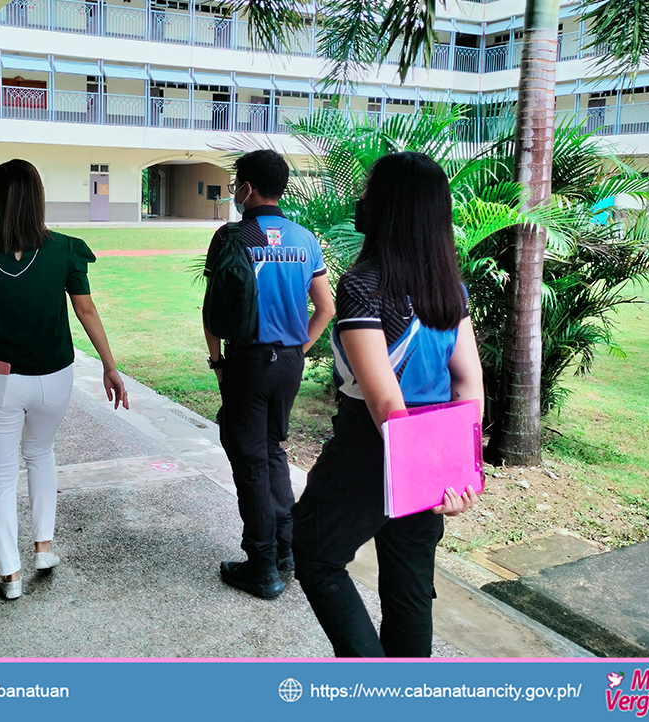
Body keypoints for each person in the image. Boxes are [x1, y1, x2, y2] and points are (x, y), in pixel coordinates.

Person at [292, 151, 484, 657]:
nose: (361, 198)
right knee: (409, 588)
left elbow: (382, 400)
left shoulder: (362, 286)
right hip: (430, 450)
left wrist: (420, 466)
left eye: (369, 190)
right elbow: (468, 385)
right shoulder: (450, 290)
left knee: (313, 551)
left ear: (388, 207)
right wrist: (456, 470)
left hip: (371, 450)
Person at [0, 159, 129, 600]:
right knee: (42, 454)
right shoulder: (65, 248)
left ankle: (9, 574)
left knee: (1, 474)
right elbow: (86, 311)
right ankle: (44, 549)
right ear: (38, 199)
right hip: (53, 377)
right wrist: (109, 365)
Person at [202, 149, 334, 599]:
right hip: (289, 364)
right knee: (272, 450)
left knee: (250, 461)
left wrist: (218, 362)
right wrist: (299, 348)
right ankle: (285, 551)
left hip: (248, 362)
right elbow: (326, 308)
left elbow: (214, 309)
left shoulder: (232, 236)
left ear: (247, 188)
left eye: (238, 183)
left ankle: (261, 565)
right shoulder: (304, 239)